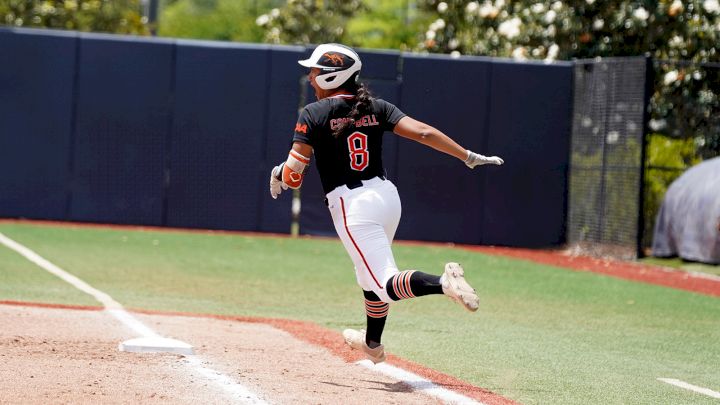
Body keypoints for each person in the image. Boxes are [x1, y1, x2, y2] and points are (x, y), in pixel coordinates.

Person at [269, 43, 504, 364]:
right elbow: (423, 132)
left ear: (331, 76)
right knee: (368, 276)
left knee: (383, 284)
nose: (311, 77)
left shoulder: (313, 113)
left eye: (315, 71)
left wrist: (279, 172)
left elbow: (295, 173)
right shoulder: (376, 106)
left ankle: (443, 283)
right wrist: (467, 156)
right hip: (386, 197)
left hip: (352, 205)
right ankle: (372, 344)